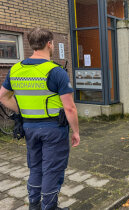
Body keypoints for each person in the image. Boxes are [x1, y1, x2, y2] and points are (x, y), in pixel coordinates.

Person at [0, 28, 80, 210]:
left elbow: (3, 97)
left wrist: (24, 110)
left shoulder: (16, 69)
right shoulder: (55, 71)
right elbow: (69, 107)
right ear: (49, 44)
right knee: (52, 170)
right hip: (53, 129)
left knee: (35, 167)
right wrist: (75, 131)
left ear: (31, 44)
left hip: (29, 128)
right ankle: (49, 207)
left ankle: (34, 205)